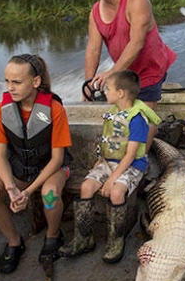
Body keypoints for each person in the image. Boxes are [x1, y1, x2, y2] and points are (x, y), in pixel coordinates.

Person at [0, 54, 73, 274]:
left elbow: (57, 158)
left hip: (52, 169)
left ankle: (53, 236)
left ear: (36, 82)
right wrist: (11, 187)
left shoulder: (54, 109)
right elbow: (1, 155)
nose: (10, 88)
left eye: (17, 82)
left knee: (49, 195)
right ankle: (14, 242)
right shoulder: (2, 110)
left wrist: (29, 191)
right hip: (21, 168)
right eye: (7, 82)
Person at [60, 70, 159, 263]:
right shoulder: (113, 113)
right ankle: (83, 237)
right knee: (86, 187)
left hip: (131, 165)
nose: (104, 92)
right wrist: (99, 163)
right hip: (109, 162)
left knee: (116, 192)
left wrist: (112, 179)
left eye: (108, 88)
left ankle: (116, 240)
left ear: (121, 93)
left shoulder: (137, 119)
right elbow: (107, 141)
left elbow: (130, 155)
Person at [84, 0, 177, 148]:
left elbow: (137, 43)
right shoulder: (95, 11)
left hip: (150, 66)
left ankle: (142, 160)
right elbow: (93, 48)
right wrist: (88, 84)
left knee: (144, 117)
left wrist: (112, 73)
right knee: (123, 112)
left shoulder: (137, 1)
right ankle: (123, 154)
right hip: (125, 70)